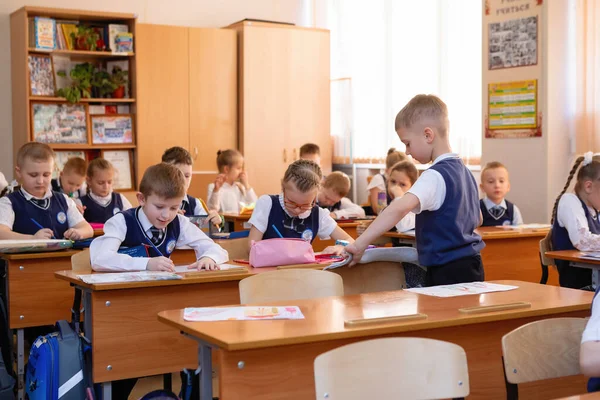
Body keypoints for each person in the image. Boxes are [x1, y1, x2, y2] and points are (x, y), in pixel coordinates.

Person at [345, 94, 485, 286]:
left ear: (428, 135)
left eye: (408, 143)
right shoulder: (466, 172)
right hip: (472, 264)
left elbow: (397, 209)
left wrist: (359, 244)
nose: (407, 151)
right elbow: (478, 218)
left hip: (446, 269)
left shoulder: (434, 175)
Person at [248, 160, 354, 255]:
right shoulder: (267, 204)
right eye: (291, 202)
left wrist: (340, 246)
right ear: (283, 188)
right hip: (268, 273)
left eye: (306, 205)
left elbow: (349, 240)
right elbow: (252, 249)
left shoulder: (318, 214)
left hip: (302, 274)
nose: (297, 210)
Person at [0, 142, 93, 240]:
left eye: (46, 175)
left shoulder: (64, 200)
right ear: (19, 172)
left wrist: (78, 232)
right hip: (27, 256)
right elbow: (1, 233)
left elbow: (88, 229)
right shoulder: (8, 202)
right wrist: (32, 239)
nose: (40, 181)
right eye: (33, 175)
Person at [551, 152, 600, 290]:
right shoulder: (569, 202)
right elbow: (583, 241)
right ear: (588, 186)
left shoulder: (595, 207)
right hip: (579, 284)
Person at [79, 158, 132, 223]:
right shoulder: (80, 203)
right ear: (89, 180)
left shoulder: (120, 199)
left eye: (109, 182)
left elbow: (132, 220)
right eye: (100, 183)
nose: (106, 187)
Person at [479, 161, 523, 226]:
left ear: (508, 186)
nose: (497, 185)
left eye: (501, 181)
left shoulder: (513, 209)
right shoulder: (477, 208)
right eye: (491, 182)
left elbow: (520, 231)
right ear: (482, 187)